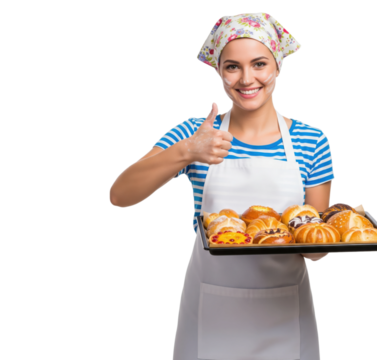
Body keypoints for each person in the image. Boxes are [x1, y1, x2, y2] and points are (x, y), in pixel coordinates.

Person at [110, 10, 334, 359]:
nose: (247, 78)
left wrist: (324, 237)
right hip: (210, 312)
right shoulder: (195, 132)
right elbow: (119, 195)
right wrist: (187, 152)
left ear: (277, 65)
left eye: (259, 64)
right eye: (232, 66)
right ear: (218, 70)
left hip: (285, 313)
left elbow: (316, 251)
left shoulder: (311, 141)